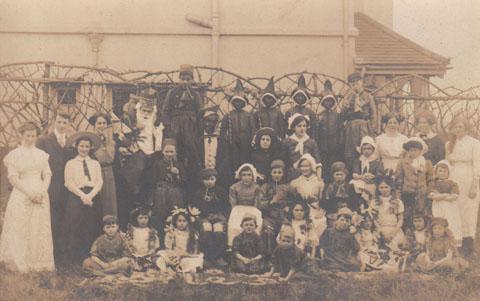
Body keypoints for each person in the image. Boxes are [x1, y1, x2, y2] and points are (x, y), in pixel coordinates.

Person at [0, 122, 54, 272]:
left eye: (33, 136)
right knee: (21, 228)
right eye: (28, 135)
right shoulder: (15, 155)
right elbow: (13, 178)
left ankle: (39, 263)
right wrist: (29, 193)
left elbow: (47, 174)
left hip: (40, 193)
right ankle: (20, 263)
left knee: (38, 228)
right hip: (22, 192)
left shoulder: (41, 154)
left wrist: (42, 192)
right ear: (21, 135)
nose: (31, 139)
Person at [36, 110, 73, 265]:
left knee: (65, 221)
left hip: (67, 188)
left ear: (69, 124)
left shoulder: (71, 141)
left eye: (65, 122)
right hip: (51, 187)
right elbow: (37, 165)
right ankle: (49, 257)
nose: (61, 125)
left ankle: (62, 256)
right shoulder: (44, 140)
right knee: (51, 220)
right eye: (59, 122)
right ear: (54, 122)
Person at [117, 91, 164, 209]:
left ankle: (146, 205)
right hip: (135, 152)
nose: (146, 114)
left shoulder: (155, 124)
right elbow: (122, 136)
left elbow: (158, 136)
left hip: (151, 153)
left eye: (149, 111)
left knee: (149, 179)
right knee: (134, 175)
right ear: (139, 110)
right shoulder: (132, 122)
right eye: (144, 111)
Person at [63, 132, 103, 264]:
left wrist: (90, 195)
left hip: (93, 196)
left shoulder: (95, 163)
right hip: (76, 196)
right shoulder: (71, 163)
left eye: (87, 146)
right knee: (75, 225)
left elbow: (99, 182)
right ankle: (75, 258)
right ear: (76, 146)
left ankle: (90, 256)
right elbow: (68, 183)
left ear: (91, 148)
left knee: (91, 224)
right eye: (82, 146)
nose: (84, 149)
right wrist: (83, 196)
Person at [445, 115, 480, 257]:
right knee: (455, 210)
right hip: (454, 178)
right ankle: (456, 244)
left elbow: (478, 164)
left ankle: (468, 245)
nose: (458, 129)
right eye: (456, 127)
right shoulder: (448, 144)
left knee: (469, 210)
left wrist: (474, 185)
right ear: (452, 129)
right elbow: (447, 164)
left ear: (466, 128)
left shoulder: (474, 143)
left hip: (468, 178)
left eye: (461, 127)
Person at [162, 64, 204, 178]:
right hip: (175, 128)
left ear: (191, 81)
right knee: (176, 153)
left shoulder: (196, 95)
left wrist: (198, 130)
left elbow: (200, 113)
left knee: (192, 154)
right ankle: (176, 177)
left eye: (188, 79)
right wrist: (169, 128)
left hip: (191, 129)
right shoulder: (172, 93)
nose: (185, 82)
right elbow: (165, 111)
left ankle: (190, 178)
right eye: (182, 79)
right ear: (179, 79)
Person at [220, 79, 257, 185]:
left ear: (244, 103)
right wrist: (227, 141)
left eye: (240, 102)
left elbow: (253, 129)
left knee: (245, 161)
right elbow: (223, 131)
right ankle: (234, 183)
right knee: (233, 163)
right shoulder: (228, 115)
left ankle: (245, 182)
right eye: (236, 101)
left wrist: (252, 141)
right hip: (233, 144)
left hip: (246, 143)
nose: (238, 104)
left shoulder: (248, 115)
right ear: (232, 102)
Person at [192, 168, 229, 268]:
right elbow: (196, 208)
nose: (209, 182)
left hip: (218, 216)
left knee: (218, 229)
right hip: (204, 217)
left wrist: (218, 215)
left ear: (216, 179)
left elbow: (225, 206)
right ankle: (207, 257)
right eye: (206, 179)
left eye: (212, 179)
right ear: (201, 180)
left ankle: (218, 257)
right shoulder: (198, 193)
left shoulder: (221, 191)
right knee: (206, 228)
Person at [340, 72, 377, 168]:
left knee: (364, 147)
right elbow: (343, 116)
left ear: (361, 83)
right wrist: (345, 107)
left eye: (357, 83)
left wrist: (373, 129)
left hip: (364, 125)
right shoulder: (347, 97)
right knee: (350, 151)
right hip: (351, 126)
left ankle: (365, 169)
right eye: (353, 84)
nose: (355, 86)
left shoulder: (369, 97)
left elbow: (373, 114)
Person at [151, 139, 185, 240]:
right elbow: (153, 180)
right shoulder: (157, 164)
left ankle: (176, 239)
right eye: (167, 152)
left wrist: (178, 174)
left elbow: (184, 181)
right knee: (160, 215)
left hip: (175, 193)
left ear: (175, 152)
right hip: (161, 193)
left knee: (175, 213)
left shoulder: (179, 164)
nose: (169, 154)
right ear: (162, 152)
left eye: (172, 152)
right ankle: (161, 239)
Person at [395, 137, 434, 227]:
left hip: (422, 195)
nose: (413, 152)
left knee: (422, 216)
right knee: (408, 217)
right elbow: (399, 180)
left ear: (420, 151)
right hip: (408, 194)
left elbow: (431, 179)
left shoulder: (426, 163)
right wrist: (398, 195)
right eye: (410, 150)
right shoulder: (403, 162)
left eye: (415, 150)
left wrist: (429, 191)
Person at [156, 209, 203, 275]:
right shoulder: (172, 232)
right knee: (161, 258)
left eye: (184, 221)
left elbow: (195, 250)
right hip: (174, 254)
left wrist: (183, 254)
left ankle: (179, 268)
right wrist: (173, 255)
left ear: (188, 222)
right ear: (175, 222)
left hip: (186, 255)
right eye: (179, 221)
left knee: (193, 263)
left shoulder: (192, 234)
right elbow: (168, 247)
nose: (181, 223)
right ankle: (170, 267)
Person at [227, 164, 264, 247]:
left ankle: (254, 246)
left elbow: (256, 204)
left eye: (249, 175)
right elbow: (233, 204)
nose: (246, 177)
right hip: (238, 209)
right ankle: (233, 246)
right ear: (240, 176)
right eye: (244, 175)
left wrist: (252, 212)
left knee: (256, 224)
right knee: (234, 225)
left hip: (252, 210)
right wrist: (237, 212)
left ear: (252, 176)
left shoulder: (256, 188)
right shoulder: (234, 187)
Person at [258, 160, 290, 256]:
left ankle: (284, 258)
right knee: (268, 232)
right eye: (274, 172)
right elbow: (259, 205)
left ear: (283, 173)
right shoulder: (265, 187)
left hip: (284, 217)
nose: (277, 175)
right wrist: (271, 202)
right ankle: (268, 257)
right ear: (271, 173)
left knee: (286, 232)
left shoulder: (288, 187)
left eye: (279, 172)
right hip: (269, 217)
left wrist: (289, 207)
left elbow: (295, 201)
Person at [89, 112, 118, 217]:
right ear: (94, 125)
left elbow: (112, 157)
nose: (101, 125)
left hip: (108, 171)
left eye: (104, 123)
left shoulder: (110, 139)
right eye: (99, 123)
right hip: (95, 171)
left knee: (109, 199)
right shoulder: (90, 139)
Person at [427, 160, 462, 247]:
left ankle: (452, 244)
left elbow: (454, 196)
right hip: (438, 206)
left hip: (450, 207)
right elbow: (432, 196)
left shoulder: (452, 183)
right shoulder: (433, 183)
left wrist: (440, 196)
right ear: (436, 172)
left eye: (445, 171)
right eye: (440, 171)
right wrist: (445, 195)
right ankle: (438, 244)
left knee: (451, 222)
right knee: (438, 221)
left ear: (448, 173)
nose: (442, 173)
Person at [319, 207, 361, 272]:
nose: (344, 223)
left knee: (355, 265)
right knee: (333, 267)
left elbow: (356, 248)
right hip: (331, 258)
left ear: (350, 224)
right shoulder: (329, 231)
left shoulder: (349, 234)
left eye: (347, 221)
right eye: (342, 220)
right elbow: (321, 245)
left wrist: (354, 234)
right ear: (337, 221)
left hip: (344, 259)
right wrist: (322, 256)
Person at [371, 176, 405, 252]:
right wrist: (380, 231)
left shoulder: (398, 202)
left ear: (391, 188)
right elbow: (374, 219)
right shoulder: (374, 202)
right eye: (381, 187)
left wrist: (393, 233)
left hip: (394, 230)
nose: (384, 190)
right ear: (378, 189)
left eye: (386, 187)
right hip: (380, 230)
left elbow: (400, 219)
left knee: (395, 252)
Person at [283, 113, 322, 180]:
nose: (302, 128)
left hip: (309, 175)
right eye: (299, 126)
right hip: (292, 175)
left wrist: (319, 178)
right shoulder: (287, 142)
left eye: (304, 126)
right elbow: (284, 162)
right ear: (293, 127)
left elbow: (318, 162)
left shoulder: (311, 142)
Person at [316, 93, 342, 179]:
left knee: (333, 164)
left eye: (330, 101)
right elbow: (317, 132)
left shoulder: (337, 115)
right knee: (324, 164)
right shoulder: (319, 115)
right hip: (323, 146)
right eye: (326, 101)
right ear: (323, 102)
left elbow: (340, 130)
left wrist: (339, 143)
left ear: (333, 102)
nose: (328, 103)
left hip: (334, 145)